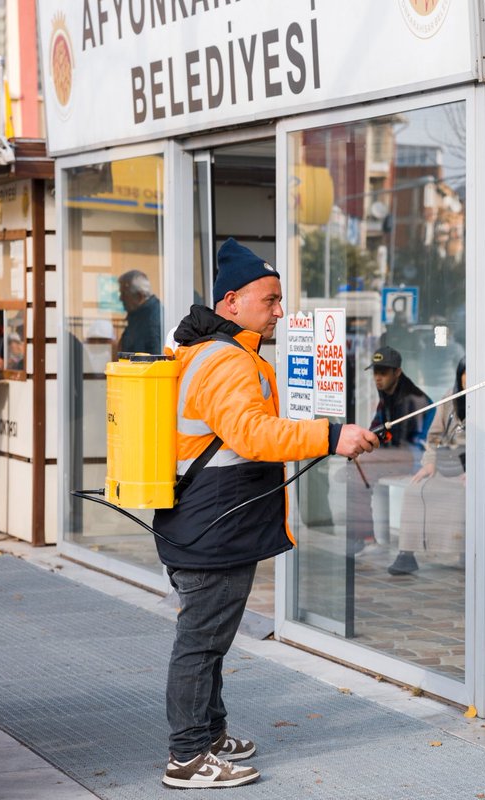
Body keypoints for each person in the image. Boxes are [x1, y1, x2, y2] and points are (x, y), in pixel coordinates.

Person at [151, 238, 378, 789]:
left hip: (201, 518)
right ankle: (187, 757)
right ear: (231, 302)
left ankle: (208, 734)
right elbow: (251, 435)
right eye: (270, 300)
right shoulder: (227, 361)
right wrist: (330, 436)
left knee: (210, 639)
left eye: (280, 300)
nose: (280, 310)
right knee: (201, 643)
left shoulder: (211, 351)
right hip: (214, 524)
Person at [348, 346, 431, 568]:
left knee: (358, 470)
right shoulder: (387, 396)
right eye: (376, 372)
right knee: (353, 470)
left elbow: (407, 442)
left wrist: (370, 450)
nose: (378, 378)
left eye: (383, 373)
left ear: (398, 372)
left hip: (417, 455)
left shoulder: (413, 399)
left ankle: (366, 539)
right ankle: (365, 537)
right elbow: (376, 429)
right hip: (398, 452)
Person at [398, 357, 468, 575]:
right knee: (414, 490)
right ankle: (406, 554)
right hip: (447, 464)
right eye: (466, 373)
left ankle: (464, 552)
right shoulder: (451, 397)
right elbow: (434, 437)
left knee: (460, 496)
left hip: (472, 469)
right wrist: (429, 463)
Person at [117, 269, 164, 355]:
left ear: (140, 295)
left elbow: (156, 359)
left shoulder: (153, 320)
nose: (121, 298)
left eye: (124, 294)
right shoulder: (138, 315)